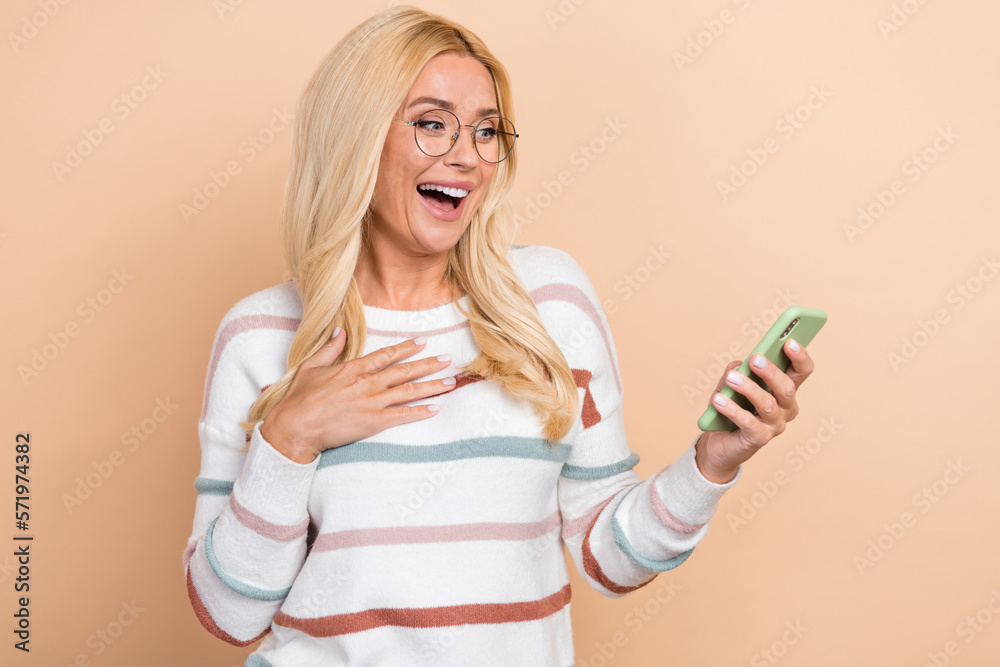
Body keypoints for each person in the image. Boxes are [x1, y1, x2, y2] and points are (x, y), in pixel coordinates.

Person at [181, 6, 816, 666]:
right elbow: (229, 614)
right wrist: (290, 437)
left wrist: (711, 462)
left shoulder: (547, 301)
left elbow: (607, 556)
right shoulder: (261, 335)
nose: (466, 155)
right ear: (356, 136)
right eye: (431, 124)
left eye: (486, 131)